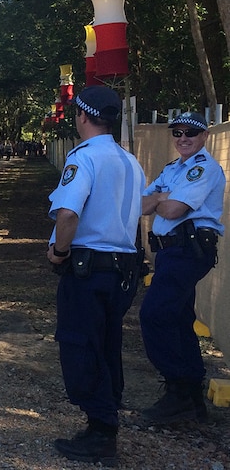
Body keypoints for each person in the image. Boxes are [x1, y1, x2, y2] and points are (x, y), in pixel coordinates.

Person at [46, 86, 146, 466]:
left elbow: (69, 213)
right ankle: (104, 419)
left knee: (79, 344)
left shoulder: (84, 158)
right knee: (107, 345)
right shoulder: (129, 161)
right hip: (122, 269)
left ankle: (101, 430)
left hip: (88, 269)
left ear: (82, 117)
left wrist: (59, 251)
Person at [139, 111, 225, 424]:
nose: (183, 138)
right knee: (178, 318)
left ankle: (178, 391)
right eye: (177, 132)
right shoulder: (173, 169)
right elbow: (139, 204)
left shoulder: (202, 168)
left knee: (153, 316)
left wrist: (160, 198)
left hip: (187, 251)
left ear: (204, 137)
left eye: (191, 132)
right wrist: (162, 196)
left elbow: (173, 209)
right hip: (171, 253)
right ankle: (191, 397)